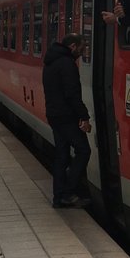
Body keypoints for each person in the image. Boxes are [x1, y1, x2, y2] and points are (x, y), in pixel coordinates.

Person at [42, 33, 92, 209]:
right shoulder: (67, 64)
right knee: (83, 151)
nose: (82, 51)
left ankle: (59, 197)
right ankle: (68, 192)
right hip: (66, 117)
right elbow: (72, 95)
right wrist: (84, 117)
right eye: (81, 47)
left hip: (54, 115)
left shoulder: (51, 62)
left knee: (62, 155)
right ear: (72, 46)